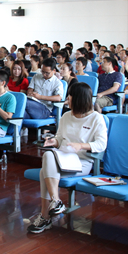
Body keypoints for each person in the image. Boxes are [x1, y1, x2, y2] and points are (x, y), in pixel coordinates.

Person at [27, 82, 108, 233]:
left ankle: (46, 216)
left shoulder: (96, 118)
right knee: (48, 155)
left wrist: (81, 146)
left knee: (44, 171)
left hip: (82, 162)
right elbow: (59, 138)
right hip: (63, 158)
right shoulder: (65, 116)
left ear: (78, 99)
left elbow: (101, 144)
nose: (67, 99)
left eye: (70, 96)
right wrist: (54, 141)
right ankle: (55, 202)